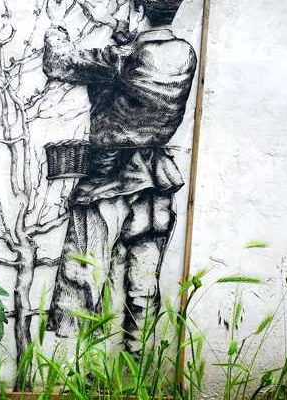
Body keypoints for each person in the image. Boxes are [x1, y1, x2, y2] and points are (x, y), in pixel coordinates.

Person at [43, 0, 197, 353]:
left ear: (138, 11)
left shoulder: (124, 58)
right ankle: (136, 361)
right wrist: (131, 36)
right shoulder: (185, 54)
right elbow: (143, 77)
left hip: (109, 180)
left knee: (81, 280)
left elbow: (57, 61)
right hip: (156, 182)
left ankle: (68, 364)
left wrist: (57, 25)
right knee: (143, 284)